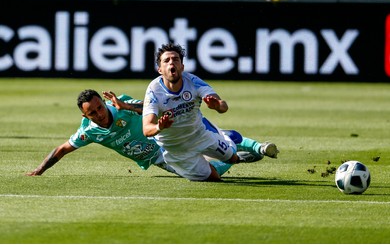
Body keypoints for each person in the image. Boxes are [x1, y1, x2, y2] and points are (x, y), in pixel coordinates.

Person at [26, 89, 273, 178]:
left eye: (99, 107)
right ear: (85, 116)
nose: (99, 114)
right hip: (158, 159)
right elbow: (62, 149)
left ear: (103, 102)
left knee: (210, 161)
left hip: (166, 137)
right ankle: (235, 150)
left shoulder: (120, 105)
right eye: (92, 113)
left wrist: (126, 107)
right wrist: (40, 169)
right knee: (213, 174)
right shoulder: (89, 131)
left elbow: (151, 107)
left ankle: (233, 141)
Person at [142, 43, 279, 182]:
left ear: (182, 67)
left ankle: (230, 141)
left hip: (199, 135)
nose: (172, 63)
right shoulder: (154, 91)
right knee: (214, 177)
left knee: (231, 157)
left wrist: (217, 105)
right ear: (160, 69)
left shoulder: (193, 81)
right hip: (175, 149)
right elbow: (147, 129)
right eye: (166, 60)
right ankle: (237, 151)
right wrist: (159, 126)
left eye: (176, 59)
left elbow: (223, 106)